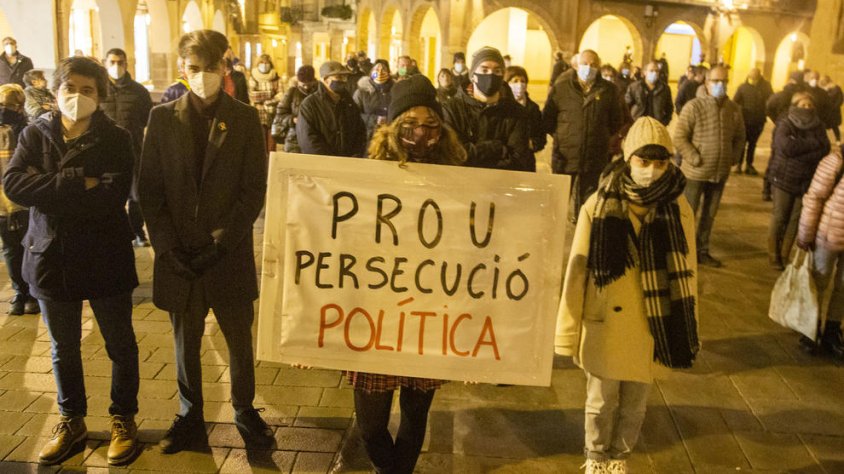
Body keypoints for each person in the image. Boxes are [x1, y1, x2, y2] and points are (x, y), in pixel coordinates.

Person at [138, 29, 273, 453]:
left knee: (239, 340)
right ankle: (189, 415)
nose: (202, 75)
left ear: (224, 67)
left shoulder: (245, 118)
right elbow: (150, 191)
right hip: (178, 255)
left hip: (227, 255)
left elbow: (253, 189)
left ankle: (245, 410)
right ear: (183, 68)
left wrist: (221, 242)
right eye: (194, 68)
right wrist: (167, 247)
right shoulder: (162, 118)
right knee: (185, 343)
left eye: (211, 67)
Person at [3, 56, 140, 466]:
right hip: (50, 254)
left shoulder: (116, 138)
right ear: (56, 90)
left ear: (99, 95)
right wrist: (79, 181)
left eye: (87, 90)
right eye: (70, 88)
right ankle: (71, 419)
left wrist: (47, 190)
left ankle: (123, 419)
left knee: (120, 344)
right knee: (63, 347)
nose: (77, 96)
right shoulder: (35, 133)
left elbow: (112, 196)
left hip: (104, 254)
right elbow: (13, 184)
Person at [556, 117, 698, 474]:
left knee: (635, 403)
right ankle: (595, 455)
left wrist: (687, 324)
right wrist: (567, 331)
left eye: (660, 162)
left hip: (654, 321)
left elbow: (689, 271)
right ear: (628, 157)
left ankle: (619, 456)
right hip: (604, 320)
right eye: (643, 161)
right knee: (600, 401)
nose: (651, 170)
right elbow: (576, 273)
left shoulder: (678, 207)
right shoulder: (598, 204)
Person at [353, 74, 465, 474]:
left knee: (415, 417)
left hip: (428, 316)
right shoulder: (370, 175)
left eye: (431, 124)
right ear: (394, 124)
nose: (421, 133)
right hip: (377, 316)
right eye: (411, 123)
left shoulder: (459, 175)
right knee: (370, 426)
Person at [673, 65, 746, 267]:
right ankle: (682, 251)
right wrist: (694, 157)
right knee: (688, 213)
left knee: (709, 215)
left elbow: (740, 136)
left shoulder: (733, 109)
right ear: (706, 82)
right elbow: (679, 137)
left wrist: (733, 157)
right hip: (695, 172)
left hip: (720, 172)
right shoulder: (694, 107)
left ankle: (702, 250)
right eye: (716, 81)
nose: (720, 85)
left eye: (724, 81)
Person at [543, 49, 624, 219]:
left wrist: (600, 136)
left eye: (593, 64)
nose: (589, 68)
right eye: (585, 64)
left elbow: (616, 121)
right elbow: (548, 120)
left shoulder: (609, 90)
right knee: (559, 200)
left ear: (599, 67)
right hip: (565, 156)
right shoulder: (561, 88)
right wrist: (564, 136)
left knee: (588, 203)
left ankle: (582, 227)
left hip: (594, 156)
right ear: (576, 65)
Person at [766, 92, 830, 269]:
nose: (807, 108)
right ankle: (773, 253)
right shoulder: (785, 122)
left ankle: (784, 254)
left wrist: (801, 152)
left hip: (806, 179)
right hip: (783, 177)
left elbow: (825, 148)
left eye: (810, 105)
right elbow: (787, 147)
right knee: (780, 217)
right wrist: (813, 144)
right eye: (803, 105)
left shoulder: (819, 125)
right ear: (794, 106)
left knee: (796, 219)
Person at [442, 46, 532, 171]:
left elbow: (518, 160)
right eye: (484, 70)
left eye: (497, 71)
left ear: (502, 76)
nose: (491, 75)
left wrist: (472, 153)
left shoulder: (516, 113)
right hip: (461, 181)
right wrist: (497, 148)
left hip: (502, 182)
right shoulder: (452, 109)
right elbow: (453, 155)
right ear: (473, 75)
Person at [100, 48, 154, 248]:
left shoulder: (139, 91)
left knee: (136, 195)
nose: (117, 66)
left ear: (126, 64)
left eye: (120, 62)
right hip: (104, 151)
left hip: (133, 150)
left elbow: (147, 118)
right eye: (112, 62)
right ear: (105, 63)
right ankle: (111, 231)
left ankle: (137, 231)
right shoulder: (99, 90)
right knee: (107, 193)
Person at [796, 145, 844, 360]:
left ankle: (832, 332)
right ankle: (810, 329)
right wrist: (805, 234)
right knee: (818, 282)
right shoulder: (836, 161)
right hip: (827, 235)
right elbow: (814, 198)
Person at [0, 84, 37, 315]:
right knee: (10, 249)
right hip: (2, 205)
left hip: (25, 201)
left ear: (20, 106)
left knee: (30, 247)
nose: (4, 109)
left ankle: (32, 292)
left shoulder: (29, 131)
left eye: (9, 105)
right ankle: (19, 292)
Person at [296, 61, 367, 157]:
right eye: (339, 77)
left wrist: (356, 155)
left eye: (345, 77)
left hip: (348, 162)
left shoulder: (349, 102)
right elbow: (308, 140)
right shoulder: (309, 105)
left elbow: (360, 132)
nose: (344, 80)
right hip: (322, 163)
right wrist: (329, 161)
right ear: (326, 80)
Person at [733, 68, 773, 175]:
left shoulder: (766, 87)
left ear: (759, 76)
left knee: (752, 143)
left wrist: (766, 112)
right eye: (751, 77)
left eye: (755, 77)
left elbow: (771, 100)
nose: (753, 79)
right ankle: (739, 164)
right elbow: (735, 101)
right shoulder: (743, 87)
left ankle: (749, 165)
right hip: (745, 120)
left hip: (758, 120)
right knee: (742, 142)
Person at [271, 65, 317, 153]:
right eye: (303, 84)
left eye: (309, 84)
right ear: (298, 81)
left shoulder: (319, 92)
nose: (306, 87)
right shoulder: (292, 92)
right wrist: (292, 119)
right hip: (294, 139)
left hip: (314, 139)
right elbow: (280, 114)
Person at [505, 65, 546, 157]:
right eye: (515, 81)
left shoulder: (533, 108)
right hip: (504, 158)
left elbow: (541, 136)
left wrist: (531, 144)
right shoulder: (500, 106)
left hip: (525, 159)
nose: (519, 84)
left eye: (523, 81)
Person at [353, 59, 394, 144]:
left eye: (384, 70)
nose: (380, 72)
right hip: (368, 136)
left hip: (391, 135)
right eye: (376, 70)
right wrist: (375, 120)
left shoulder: (396, 90)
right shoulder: (361, 92)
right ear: (371, 73)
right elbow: (354, 114)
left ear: (389, 73)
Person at [248, 54, 281, 153]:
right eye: (262, 62)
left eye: (267, 63)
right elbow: (253, 95)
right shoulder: (253, 77)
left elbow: (281, 95)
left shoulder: (275, 77)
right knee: (259, 142)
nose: (264, 65)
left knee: (271, 144)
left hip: (272, 113)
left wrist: (268, 101)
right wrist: (270, 93)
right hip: (258, 113)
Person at [625, 61, 674, 126]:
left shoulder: (665, 89)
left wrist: (664, 123)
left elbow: (669, 108)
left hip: (656, 124)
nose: (654, 73)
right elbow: (626, 107)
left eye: (657, 71)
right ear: (645, 72)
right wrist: (631, 123)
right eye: (651, 71)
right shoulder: (634, 87)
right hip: (637, 124)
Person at [820, 75, 843, 143]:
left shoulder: (836, 88)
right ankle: (823, 140)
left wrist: (834, 107)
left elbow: (840, 99)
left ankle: (838, 139)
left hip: (833, 111)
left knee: (834, 126)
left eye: (824, 80)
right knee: (822, 126)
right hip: (825, 111)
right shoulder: (821, 89)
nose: (822, 82)